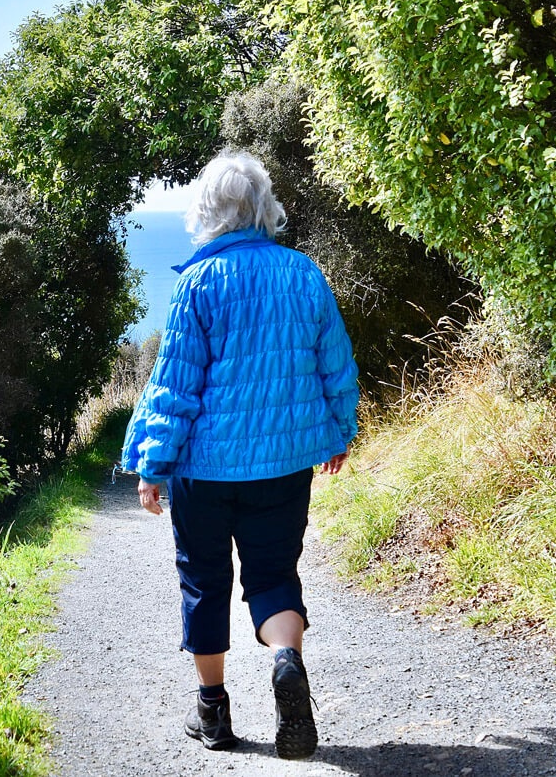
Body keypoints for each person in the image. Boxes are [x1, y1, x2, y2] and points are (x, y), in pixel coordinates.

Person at [121, 152, 358, 760]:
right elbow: (335, 360)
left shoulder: (197, 283)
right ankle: (285, 660)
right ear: (263, 208)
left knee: (203, 582)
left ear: (207, 212)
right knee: (274, 576)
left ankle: (214, 713)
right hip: (283, 465)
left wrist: (153, 464)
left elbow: (174, 387)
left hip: (204, 469)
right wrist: (338, 430)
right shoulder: (303, 273)